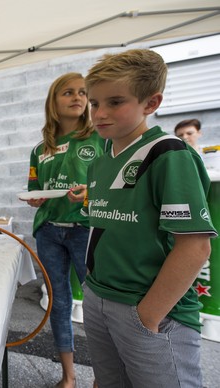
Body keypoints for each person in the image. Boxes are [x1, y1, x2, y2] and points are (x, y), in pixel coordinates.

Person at [78, 49, 217, 387]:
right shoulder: (100, 158)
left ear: (151, 103)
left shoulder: (169, 154)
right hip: (98, 297)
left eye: (115, 102)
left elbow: (195, 248)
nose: (100, 113)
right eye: (95, 103)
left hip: (147, 308)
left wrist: (148, 316)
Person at [22, 72, 104, 388]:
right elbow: (33, 190)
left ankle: (101, 377)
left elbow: (110, 186)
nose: (77, 97)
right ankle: (68, 376)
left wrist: (91, 194)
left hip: (86, 229)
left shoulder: (100, 138)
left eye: (83, 92)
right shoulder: (40, 149)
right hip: (49, 231)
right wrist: (35, 197)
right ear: (53, 101)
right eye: (68, 92)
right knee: (58, 302)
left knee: (97, 306)